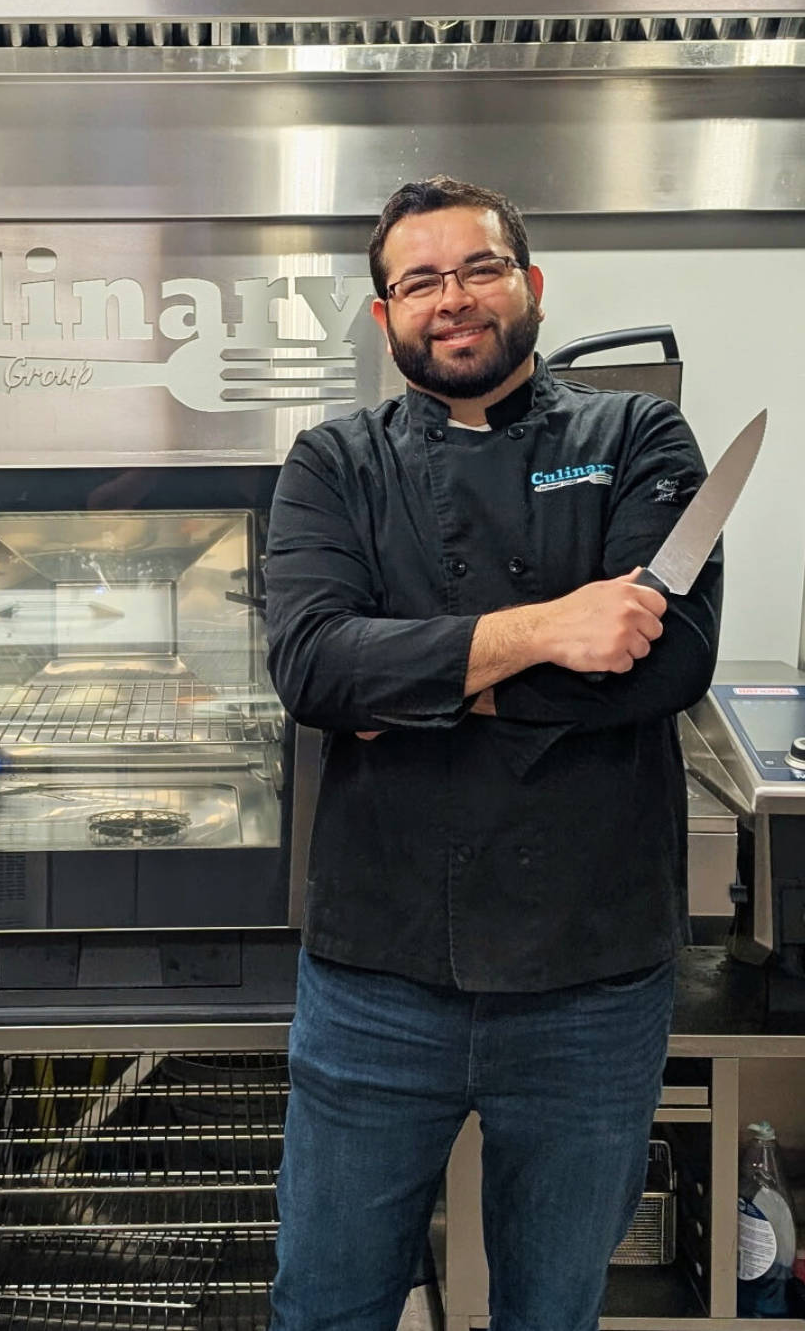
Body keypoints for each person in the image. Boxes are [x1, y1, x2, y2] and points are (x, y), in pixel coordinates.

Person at [264, 176, 722, 1331]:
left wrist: (419, 681)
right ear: (384, 316)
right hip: (378, 970)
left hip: (591, 977)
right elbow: (316, 670)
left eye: (478, 269)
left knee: (551, 1312)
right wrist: (551, 630)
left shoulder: (639, 435)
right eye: (419, 281)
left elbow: (664, 668)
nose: (452, 301)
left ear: (530, 285)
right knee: (324, 1309)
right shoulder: (335, 463)